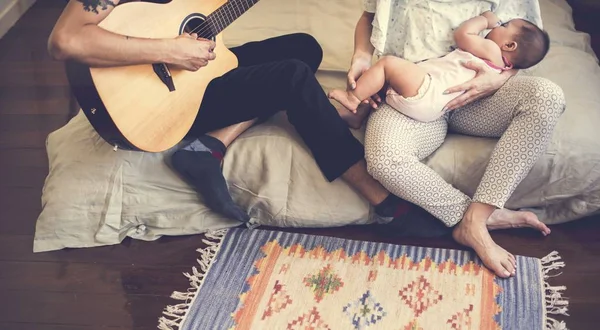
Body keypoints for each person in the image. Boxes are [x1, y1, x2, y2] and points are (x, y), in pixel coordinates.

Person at [48, 0, 447, 233]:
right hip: (153, 103)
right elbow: (66, 40)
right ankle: (383, 202)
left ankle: (210, 146)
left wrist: (184, 45)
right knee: (293, 77)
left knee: (303, 49)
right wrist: (170, 50)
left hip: (191, 79)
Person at [352, 0, 565, 278]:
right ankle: (477, 219)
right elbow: (369, 16)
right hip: (416, 91)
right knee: (384, 160)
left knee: (547, 96)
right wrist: (361, 60)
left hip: (481, 96)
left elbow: (524, 49)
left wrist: (496, 79)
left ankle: (478, 217)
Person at [329, 11, 550, 128]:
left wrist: (484, 20)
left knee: (387, 64)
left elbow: (462, 35)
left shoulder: (492, 50)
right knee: (386, 80)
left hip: (428, 90)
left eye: (503, 26)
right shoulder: (501, 66)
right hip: (434, 105)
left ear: (509, 46)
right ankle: (358, 117)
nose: (497, 26)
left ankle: (352, 100)